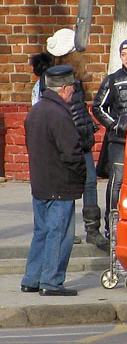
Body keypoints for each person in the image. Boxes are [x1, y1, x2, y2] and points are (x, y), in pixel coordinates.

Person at [20, 65, 86, 296]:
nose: (73, 93)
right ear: (65, 88)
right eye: (72, 89)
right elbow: (72, 152)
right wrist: (81, 176)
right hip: (60, 183)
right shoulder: (60, 114)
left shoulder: (36, 111)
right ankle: (51, 281)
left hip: (40, 182)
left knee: (42, 232)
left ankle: (32, 278)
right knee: (59, 233)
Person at [43, 28, 106, 250]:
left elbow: (80, 111)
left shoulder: (76, 81)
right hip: (68, 142)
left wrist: (87, 129)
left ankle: (92, 229)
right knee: (66, 187)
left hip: (82, 141)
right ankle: (66, 230)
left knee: (89, 183)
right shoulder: (54, 81)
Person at [94, 38, 127, 237]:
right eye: (123, 55)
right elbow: (98, 107)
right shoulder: (113, 79)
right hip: (119, 142)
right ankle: (111, 224)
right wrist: (114, 125)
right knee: (117, 182)